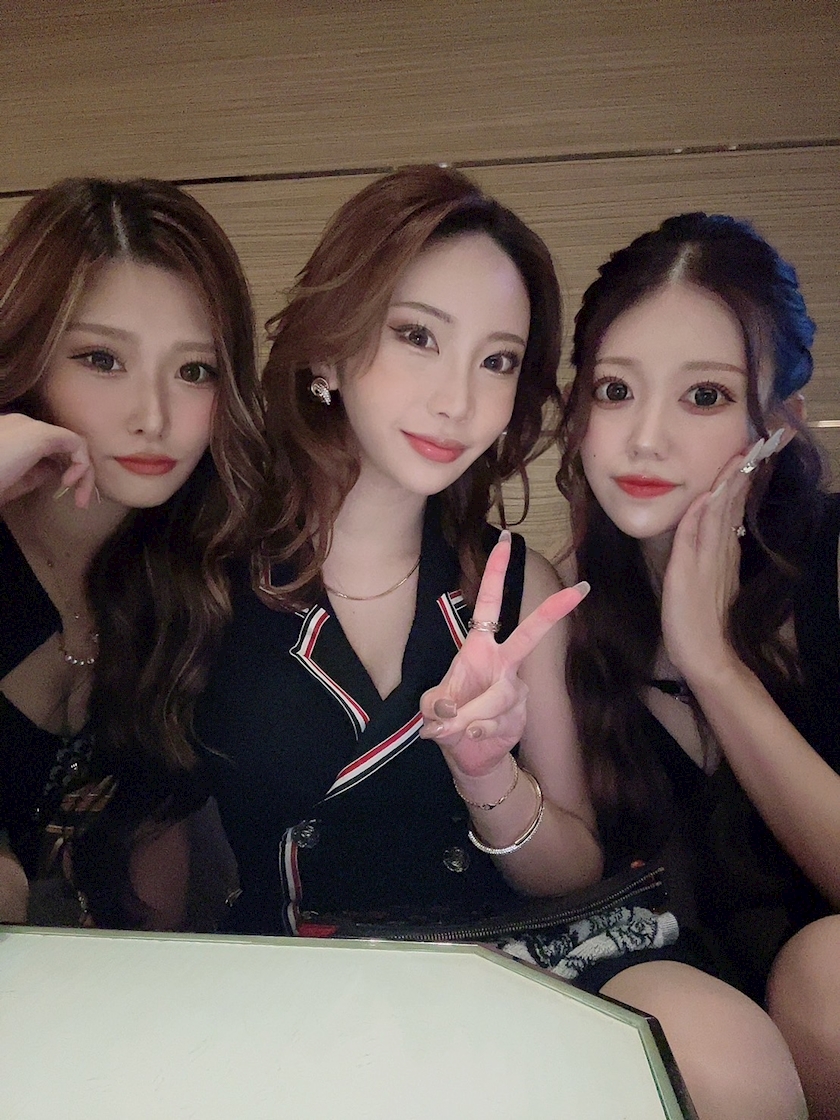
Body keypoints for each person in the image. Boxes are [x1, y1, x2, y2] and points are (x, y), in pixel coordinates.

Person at [193, 165, 604, 939]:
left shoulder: (513, 586)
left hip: (482, 968)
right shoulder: (214, 568)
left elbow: (574, 872)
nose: (458, 400)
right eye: (418, 337)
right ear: (326, 352)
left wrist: (487, 774)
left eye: (498, 360)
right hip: (282, 981)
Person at [556, 211, 839, 1119]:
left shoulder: (831, 566)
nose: (645, 439)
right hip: (686, 1032)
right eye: (615, 390)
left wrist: (715, 665)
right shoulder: (557, 618)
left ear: (780, 426)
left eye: (705, 396)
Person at [0, 177, 265, 928]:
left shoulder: (197, 569)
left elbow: (154, 842)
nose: (153, 416)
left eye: (194, 371)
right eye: (101, 359)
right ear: (29, 356)